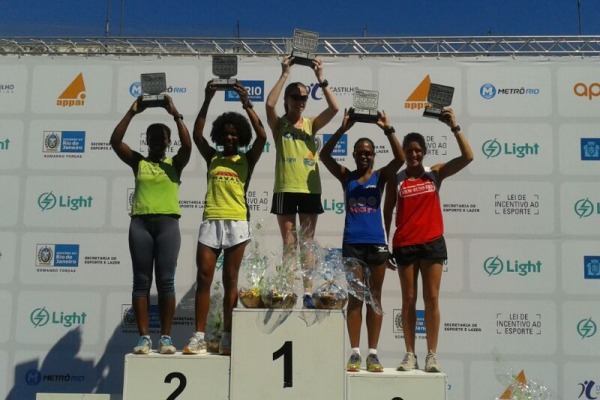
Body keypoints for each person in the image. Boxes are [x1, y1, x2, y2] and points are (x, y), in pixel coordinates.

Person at [384, 108, 473, 372]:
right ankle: (409, 353)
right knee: (408, 299)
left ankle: (431, 354)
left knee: (432, 298)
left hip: (432, 242)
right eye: (408, 150)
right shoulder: (396, 180)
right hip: (405, 244)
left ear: (423, 151)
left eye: (417, 150)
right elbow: (387, 213)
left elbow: (468, 157)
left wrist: (454, 127)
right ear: (403, 152)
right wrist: (384, 244)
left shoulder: (433, 173)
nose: (413, 154)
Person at [183, 81, 266, 355]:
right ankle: (198, 336)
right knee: (204, 277)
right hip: (211, 221)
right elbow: (196, 135)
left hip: (237, 223)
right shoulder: (212, 157)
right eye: (226, 134)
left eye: (234, 134)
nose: (230, 138)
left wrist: (247, 103)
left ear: (240, 137)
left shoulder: (247, 160)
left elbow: (263, 137)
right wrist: (207, 99)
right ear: (220, 135)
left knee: (231, 280)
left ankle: (228, 335)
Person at [320, 109, 404, 372]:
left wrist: (387, 128)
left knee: (374, 298)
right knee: (356, 297)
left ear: (373, 156)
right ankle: (355, 352)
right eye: (360, 152)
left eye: (369, 152)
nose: (365, 155)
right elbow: (324, 155)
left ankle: (373, 354)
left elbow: (400, 158)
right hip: (353, 243)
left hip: (377, 243)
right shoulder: (347, 176)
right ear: (354, 155)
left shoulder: (379, 177)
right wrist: (343, 128)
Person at [110, 95, 192, 354]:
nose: (158, 142)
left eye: (162, 138)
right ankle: (144, 338)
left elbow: (188, 146)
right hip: (141, 226)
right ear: (147, 141)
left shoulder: (175, 164)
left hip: (168, 225)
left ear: (168, 141)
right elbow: (115, 142)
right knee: (141, 282)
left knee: (166, 282)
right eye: (153, 138)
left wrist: (175, 114)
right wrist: (132, 110)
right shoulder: (138, 162)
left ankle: (165, 338)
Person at [265, 55, 339, 308]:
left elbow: (335, 109)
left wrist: (320, 77)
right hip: (285, 188)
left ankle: (307, 292)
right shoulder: (279, 125)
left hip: (309, 189)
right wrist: (285, 73)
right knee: (289, 242)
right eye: (295, 97)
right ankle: (287, 289)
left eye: (304, 97)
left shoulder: (311, 124)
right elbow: (268, 104)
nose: (300, 101)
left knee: (306, 243)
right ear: (287, 100)